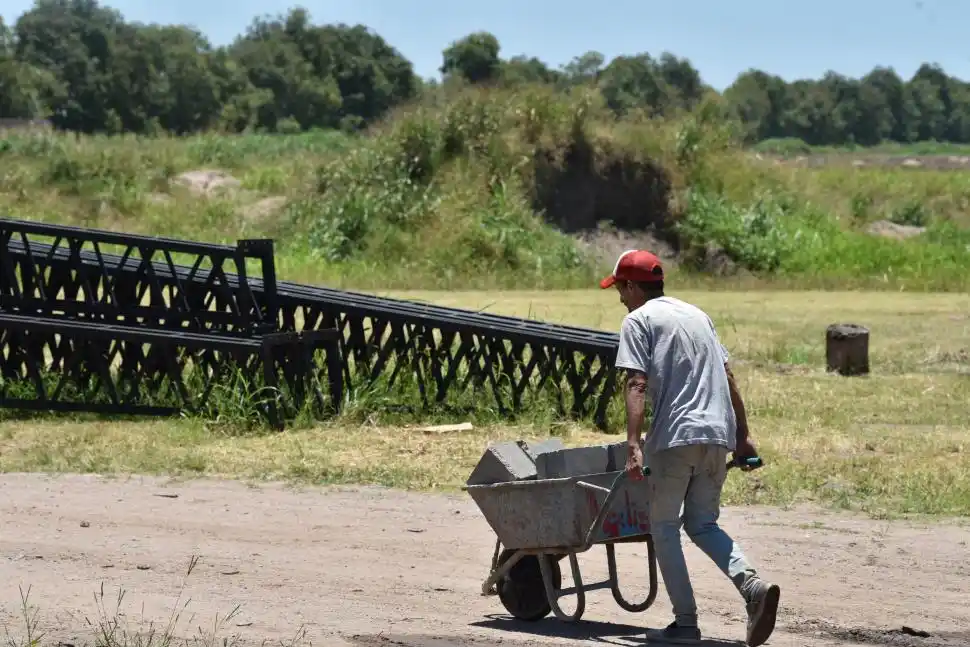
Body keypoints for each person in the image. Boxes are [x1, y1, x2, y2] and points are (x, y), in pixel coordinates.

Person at [600, 249, 781, 646]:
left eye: (620, 290)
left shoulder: (638, 320)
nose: (620, 298)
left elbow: (636, 382)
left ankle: (685, 624)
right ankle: (752, 587)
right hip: (717, 434)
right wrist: (742, 436)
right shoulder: (698, 315)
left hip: (676, 436)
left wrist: (633, 444)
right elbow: (728, 376)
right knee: (702, 524)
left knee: (664, 526)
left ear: (632, 286)